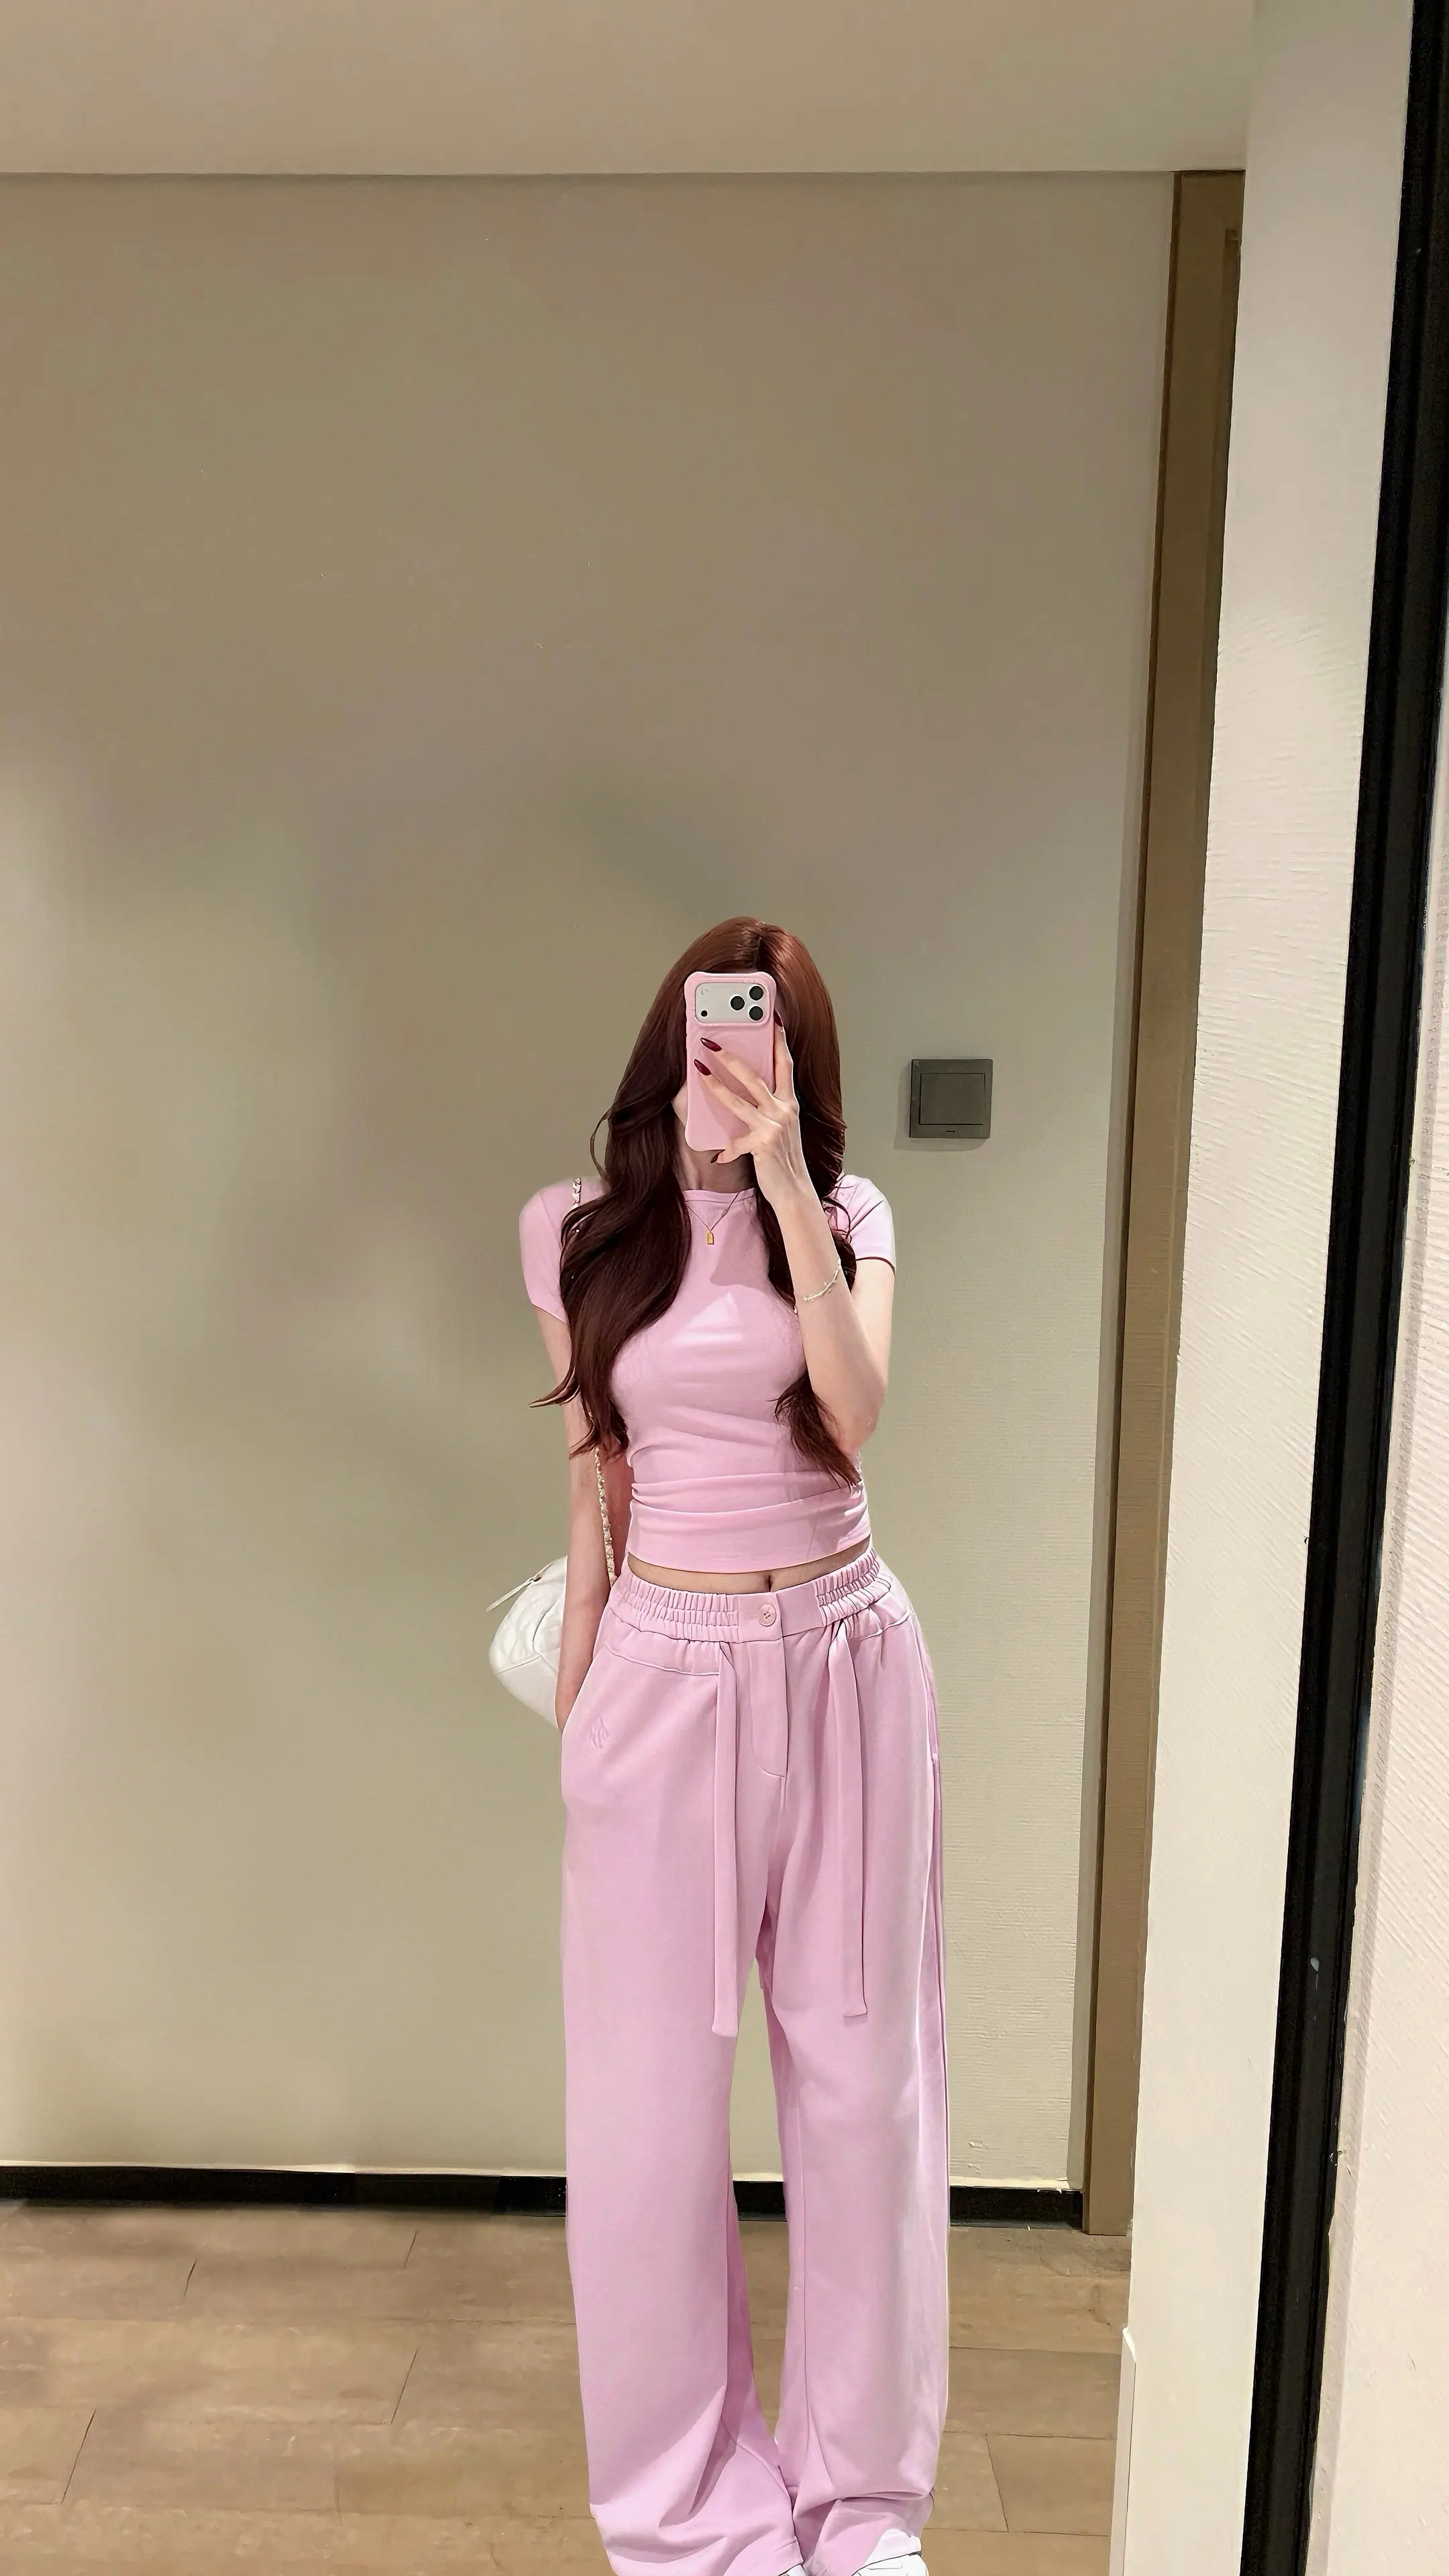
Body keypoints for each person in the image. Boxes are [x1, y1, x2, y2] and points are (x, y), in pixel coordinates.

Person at [520, 918, 948, 2576]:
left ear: (796, 1061)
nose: (732, 1050)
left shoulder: (849, 1218)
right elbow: (594, 1497)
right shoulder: (574, 1234)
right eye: (714, 1022)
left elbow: (855, 1412)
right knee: (643, 2118)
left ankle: (863, 2507)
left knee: (861, 2088)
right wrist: (583, 1723)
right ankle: (686, 2511)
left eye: (764, 1030)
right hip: (660, 1679)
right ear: (673, 1035)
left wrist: (782, 1193)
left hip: (847, 1667)